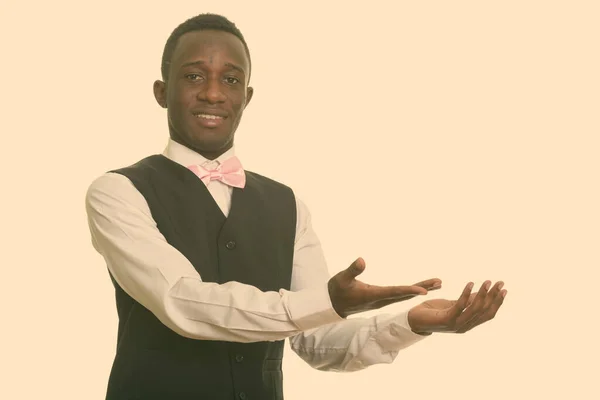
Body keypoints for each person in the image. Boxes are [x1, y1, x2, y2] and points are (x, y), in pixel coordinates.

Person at [85, 13, 507, 400]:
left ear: (247, 97)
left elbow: (319, 341)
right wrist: (328, 301)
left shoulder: (288, 205)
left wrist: (412, 323)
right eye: (195, 76)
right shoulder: (118, 192)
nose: (213, 93)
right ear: (162, 91)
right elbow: (181, 302)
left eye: (230, 80)